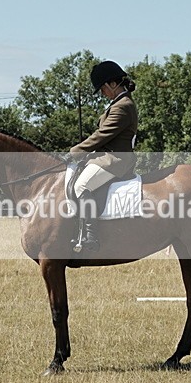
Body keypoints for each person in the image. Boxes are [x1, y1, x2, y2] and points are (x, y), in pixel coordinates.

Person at [68, 60, 138, 251]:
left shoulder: (123, 106)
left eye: (102, 88)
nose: (102, 93)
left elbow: (103, 135)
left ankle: (91, 236)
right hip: (106, 157)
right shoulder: (118, 103)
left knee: (81, 185)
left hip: (115, 160)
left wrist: (76, 152)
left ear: (113, 84)